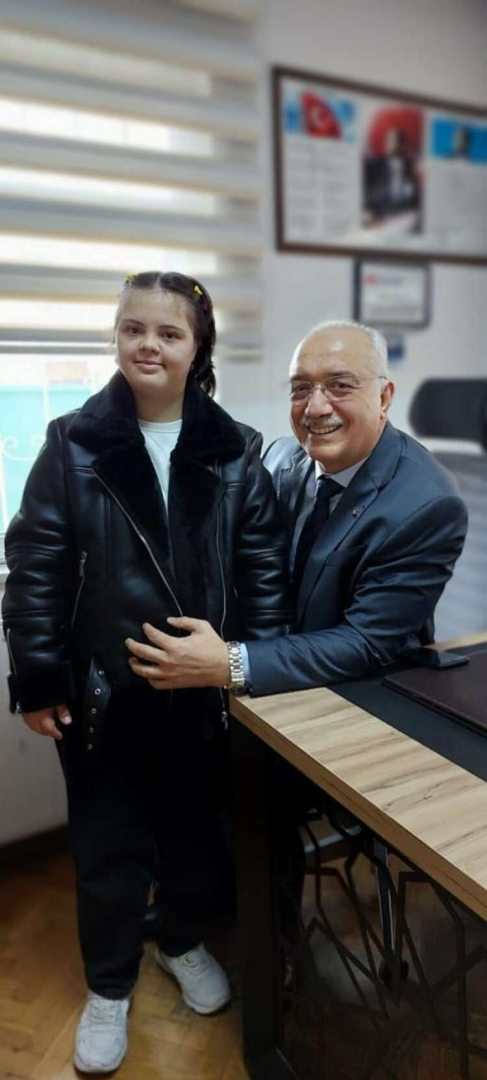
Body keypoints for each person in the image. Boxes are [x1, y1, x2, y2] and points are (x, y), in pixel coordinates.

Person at [2, 271, 292, 1074]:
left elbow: (263, 571)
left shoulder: (235, 449)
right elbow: (35, 563)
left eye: (168, 333)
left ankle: (182, 940)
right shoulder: (73, 442)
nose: (148, 345)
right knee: (108, 848)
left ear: (197, 348)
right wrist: (38, 678)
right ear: (115, 337)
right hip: (104, 694)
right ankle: (108, 985)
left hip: (205, 694)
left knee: (195, 839)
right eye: (134, 329)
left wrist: (254, 672)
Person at [125, 319, 468, 697]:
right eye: (301, 388)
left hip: (363, 692)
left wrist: (232, 662)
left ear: (384, 398)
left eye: (340, 386)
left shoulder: (428, 504)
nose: (315, 408)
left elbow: (366, 641)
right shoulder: (279, 457)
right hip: (271, 681)